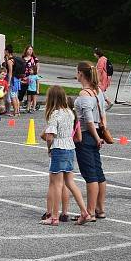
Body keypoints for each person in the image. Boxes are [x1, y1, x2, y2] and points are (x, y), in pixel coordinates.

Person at [41, 86, 91, 226]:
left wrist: (49, 148)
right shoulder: (70, 112)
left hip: (59, 148)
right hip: (70, 148)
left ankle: (54, 217)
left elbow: (50, 136)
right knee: (70, 182)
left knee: (57, 184)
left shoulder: (54, 114)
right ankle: (84, 212)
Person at [73, 62, 108, 224]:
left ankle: (91, 211)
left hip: (87, 135)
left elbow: (87, 120)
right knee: (98, 173)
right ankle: (100, 209)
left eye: (77, 72)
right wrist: (102, 133)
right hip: (97, 132)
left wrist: (95, 137)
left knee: (90, 175)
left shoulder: (84, 94)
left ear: (81, 74)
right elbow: (103, 114)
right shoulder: (98, 91)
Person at [4, 45, 22, 116]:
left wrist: (8, 82)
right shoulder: (14, 59)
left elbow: (10, 72)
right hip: (17, 79)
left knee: (13, 96)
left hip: (13, 80)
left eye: (5, 51)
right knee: (16, 96)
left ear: (7, 51)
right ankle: (18, 111)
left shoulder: (9, 61)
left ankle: (15, 112)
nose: (4, 52)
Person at [21, 45, 39, 111]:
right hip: (25, 77)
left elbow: (37, 66)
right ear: (26, 50)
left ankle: (32, 106)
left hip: (32, 77)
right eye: (29, 49)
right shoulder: (23, 58)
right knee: (23, 92)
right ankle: (24, 104)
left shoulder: (34, 58)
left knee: (32, 93)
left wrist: (35, 73)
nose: (30, 51)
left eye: (31, 49)